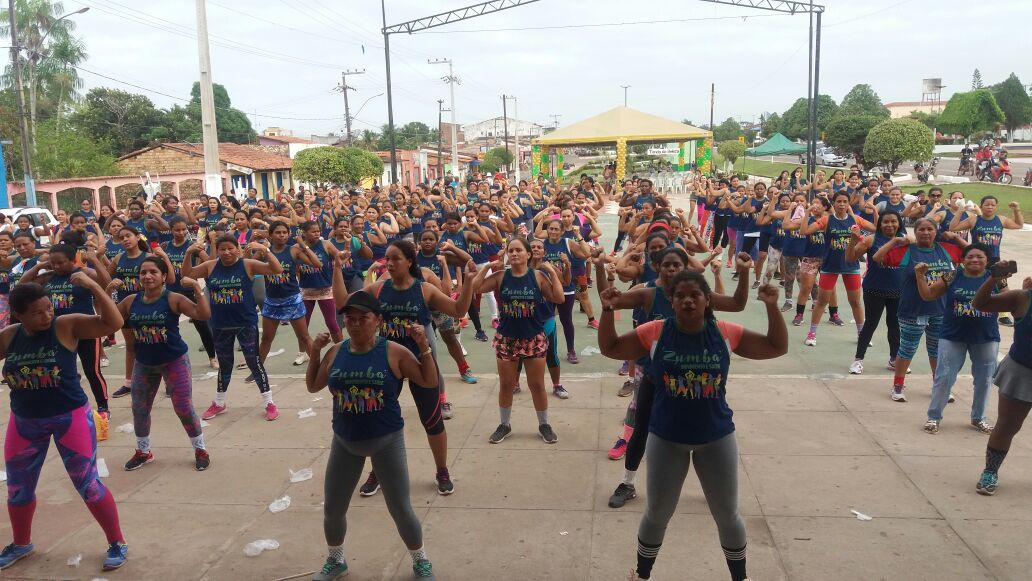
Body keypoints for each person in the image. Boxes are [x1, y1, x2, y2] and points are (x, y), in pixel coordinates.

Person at [597, 271, 787, 581]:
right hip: (666, 438)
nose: (687, 300)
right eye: (680, 295)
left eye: (695, 295)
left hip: (716, 438)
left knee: (727, 515)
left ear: (707, 300)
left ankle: (741, 577)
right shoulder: (655, 332)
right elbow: (611, 347)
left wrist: (771, 306)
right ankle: (642, 576)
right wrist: (607, 311)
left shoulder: (725, 332)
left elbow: (776, 346)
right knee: (657, 514)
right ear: (670, 302)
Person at [306, 292, 439, 580]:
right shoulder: (336, 351)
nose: (355, 324)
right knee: (333, 508)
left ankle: (420, 560)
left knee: (400, 508)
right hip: (344, 441)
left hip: (386, 440)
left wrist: (424, 347)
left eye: (362, 319)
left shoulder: (393, 352)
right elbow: (313, 386)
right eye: (349, 319)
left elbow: (428, 381)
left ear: (378, 321)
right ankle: (336, 559)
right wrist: (315, 352)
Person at [0, 280, 129, 572]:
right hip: (25, 422)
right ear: (19, 315)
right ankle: (21, 543)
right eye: (37, 312)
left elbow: (113, 323)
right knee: (18, 489)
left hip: (69, 418)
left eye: (49, 308)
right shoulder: (9, 337)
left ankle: (117, 542)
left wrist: (94, 286)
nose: (47, 315)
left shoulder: (66, 326)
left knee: (89, 485)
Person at [335, 240, 482, 496]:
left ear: (410, 261)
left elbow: (458, 310)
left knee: (432, 420)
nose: (389, 263)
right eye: (388, 259)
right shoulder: (379, 289)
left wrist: (468, 281)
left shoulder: (424, 290)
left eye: (396, 259)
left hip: (419, 362)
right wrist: (336, 268)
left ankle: (441, 470)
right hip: (385, 364)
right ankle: (377, 471)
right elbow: (342, 303)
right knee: (377, 421)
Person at [112, 257, 211, 471]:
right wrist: (106, 291)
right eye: (143, 272)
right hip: (144, 363)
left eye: (153, 272)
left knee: (183, 408)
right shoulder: (131, 301)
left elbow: (203, 314)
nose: (147, 276)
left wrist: (196, 287)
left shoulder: (173, 299)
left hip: (174, 361)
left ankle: (200, 449)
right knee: (139, 409)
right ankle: (143, 451)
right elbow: (107, 320)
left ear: (164, 276)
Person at [182, 235, 283, 421]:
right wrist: (188, 254)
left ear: (238, 248)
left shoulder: (247, 264)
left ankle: (269, 402)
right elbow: (187, 274)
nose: (226, 252)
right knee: (225, 365)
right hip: (220, 324)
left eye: (230, 248)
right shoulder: (211, 266)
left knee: (254, 363)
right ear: (217, 250)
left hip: (245, 322)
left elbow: (277, 269)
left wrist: (265, 250)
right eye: (222, 249)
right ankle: (219, 403)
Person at [479, 238, 565, 444]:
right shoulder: (501, 276)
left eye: (519, 250)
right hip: (507, 338)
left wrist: (552, 273)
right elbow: (476, 288)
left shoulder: (537, 277)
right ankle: (504, 425)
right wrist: (488, 267)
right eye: (511, 250)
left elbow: (559, 298)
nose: (515, 253)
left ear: (528, 254)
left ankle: (544, 424)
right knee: (506, 384)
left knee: (537, 384)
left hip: (533, 337)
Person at [873, 218, 966, 401]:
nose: (925, 233)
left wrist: (955, 237)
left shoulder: (946, 250)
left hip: (940, 310)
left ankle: (938, 386)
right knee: (907, 349)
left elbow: (973, 253)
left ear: (936, 231)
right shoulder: (907, 251)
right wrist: (895, 241)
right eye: (921, 229)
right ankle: (898, 386)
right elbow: (878, 258)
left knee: (937, 350)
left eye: (930, 229)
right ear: (915, 232)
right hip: (912, 310)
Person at [17, 244, 113, 416]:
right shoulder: (48, 277)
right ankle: (66, 403)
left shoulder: (83, 274)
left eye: (61, 262)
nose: (56, 266)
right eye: (52, 263)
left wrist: (94, 265)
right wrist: (38, 266)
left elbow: (107, 283)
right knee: (57, 369)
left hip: (86, 329)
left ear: (72, 260)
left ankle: (103, 407)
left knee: (92, 370)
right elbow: (21, 287)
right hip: (58, 332)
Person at [913, 243, 998, 434]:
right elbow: (928, 295)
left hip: (986, 337)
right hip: (953, 336)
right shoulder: (952, 276)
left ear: (987, 261)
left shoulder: (995, 279)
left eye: (980, 257)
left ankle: (979, 418)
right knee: (944, 377)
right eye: (970, 257)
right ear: (963, 260)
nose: (975, 260)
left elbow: (1009, 299)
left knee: (984, 379)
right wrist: (920, 276)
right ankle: (933, 417)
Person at [969, 262, 1031, 495]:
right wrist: (994, 279)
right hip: (1022, 371)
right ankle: (990, 472)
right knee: (1007, 425)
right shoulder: (1022, 298)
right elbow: (980, 303)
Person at [798, 192, 875, 346]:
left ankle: (862, 335)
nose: (841, 204)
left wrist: (875, 211)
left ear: (848, 204)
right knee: (822, 301)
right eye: (838, 201)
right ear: (833, 204)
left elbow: (875, 228)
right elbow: (803, 231)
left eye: (845, 201)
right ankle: (812, 334)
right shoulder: (827, 220)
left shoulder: (855, 219)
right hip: (830, 266)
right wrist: (806, 212)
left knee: (855, 302)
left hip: (850, 266)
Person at [847, 212, 905, 374]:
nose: (890, 225)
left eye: (893, 221)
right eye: (885, 222)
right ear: (879, 225)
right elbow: (850, 258)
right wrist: (852, 242)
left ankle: (894, 359)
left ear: (899, 224)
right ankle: (858, 360)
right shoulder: (871, 240)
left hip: (898, 290)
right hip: (874, 289)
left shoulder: (905, 240)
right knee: (870, 324)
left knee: (894, 325)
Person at [258, 221, 319, 369]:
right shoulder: (264, 251)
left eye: (284, 232)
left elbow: (316, 264)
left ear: (289, 234)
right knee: (266, 338)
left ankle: (319, 367)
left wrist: (303, 246)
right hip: (272, 300)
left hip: (292, 299)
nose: (281, 235)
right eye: (278, 233)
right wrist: (255, 249)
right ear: (271, 235)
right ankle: (257, 370)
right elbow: (249, 267)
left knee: (304, 336)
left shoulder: (293, 250)